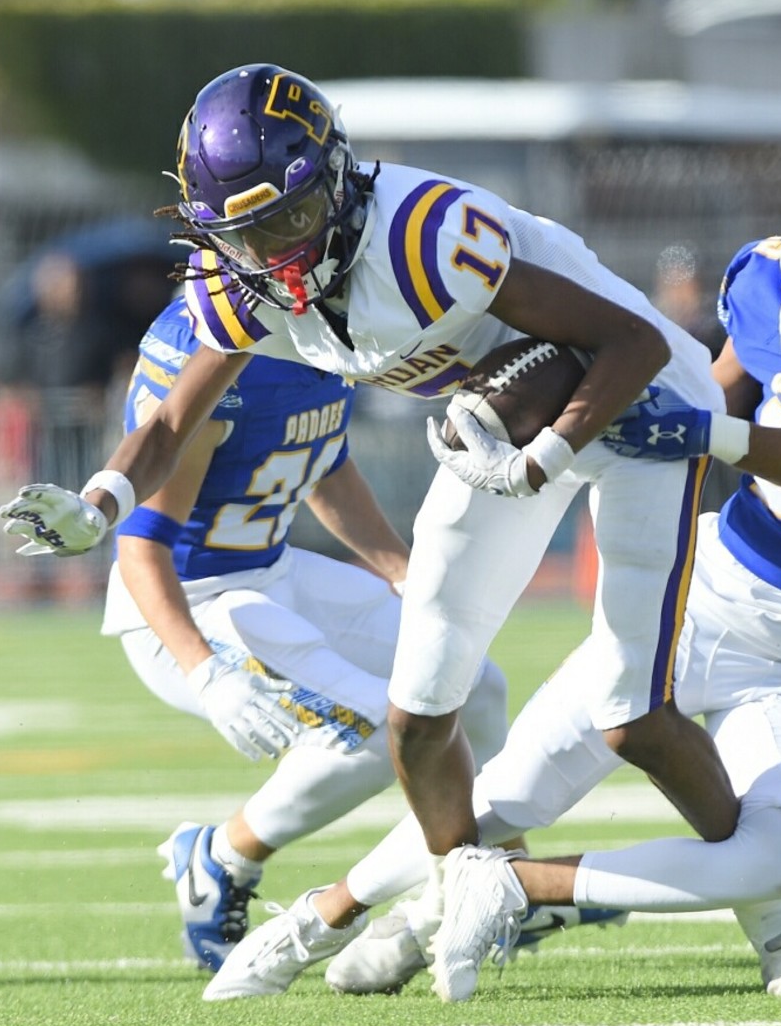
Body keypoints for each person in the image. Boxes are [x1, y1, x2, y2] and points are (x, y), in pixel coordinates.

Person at [208, 149, 781, 1004]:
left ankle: (522, 893)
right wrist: (600, 424)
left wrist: (702, 435)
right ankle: (320, 918)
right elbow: (701, 401)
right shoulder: (770, 289)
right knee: (497, 799)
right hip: (706, 600)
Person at [0, 61, 739, 971]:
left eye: (292, 220)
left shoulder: (426, 240)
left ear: (338, 182)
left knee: (627, 707)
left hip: (626, 400)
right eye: (245, 234)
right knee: (418, 711)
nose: (275, 256)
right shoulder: (243, 296)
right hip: (467, 449)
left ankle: (765, 911)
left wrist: (543, 460)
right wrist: (98, 501)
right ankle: (464, 885)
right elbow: (166, 424)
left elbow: (630, 340)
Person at [102, 293, 515, 971]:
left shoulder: (325, 321)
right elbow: (140, 545)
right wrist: (204, 670)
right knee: (388, 728)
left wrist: (400, 572)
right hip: (191, 605)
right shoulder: (210, 349)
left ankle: (483, 874)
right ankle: (222, 854)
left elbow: (322, 460)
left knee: (475, 681)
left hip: (274, 571)